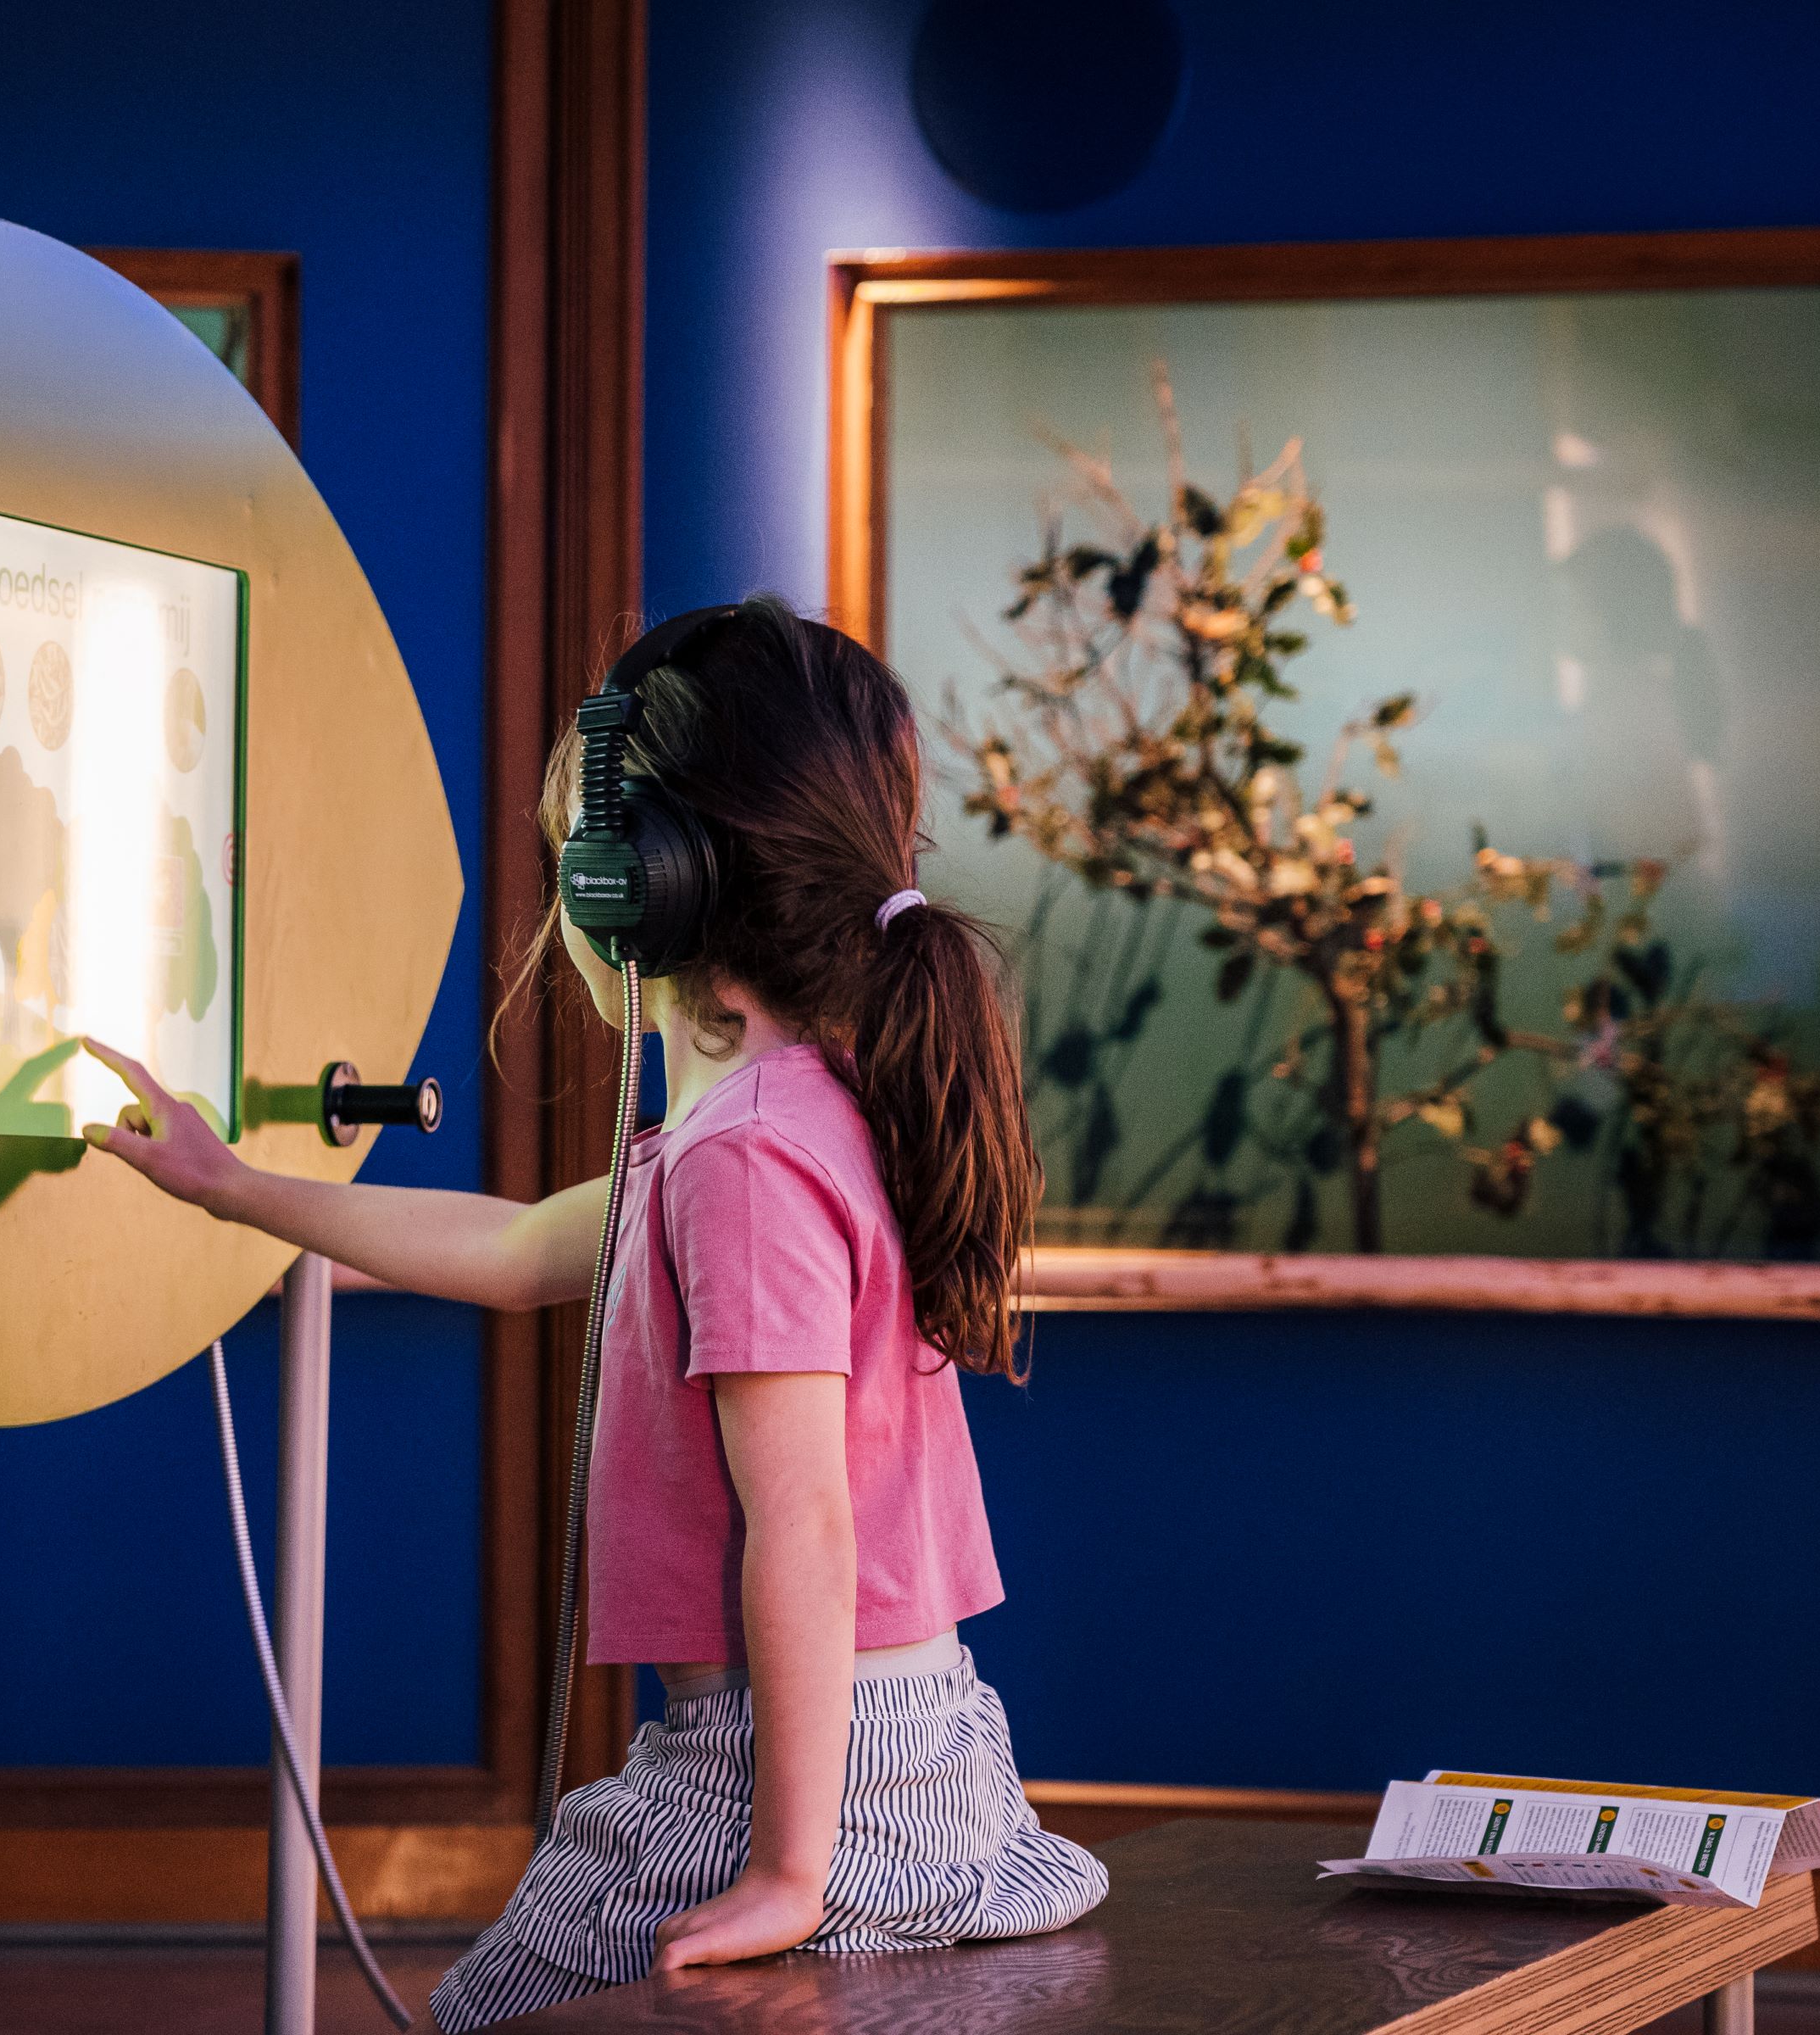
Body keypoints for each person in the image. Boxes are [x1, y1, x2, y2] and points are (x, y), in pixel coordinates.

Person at [83, 597, 1105, 2028]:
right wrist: (238, 1190)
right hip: (900, 1749)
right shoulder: (792, 1119)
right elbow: (511, 1249)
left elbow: (806, 1520)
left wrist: (788, 1870)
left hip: (786, 1776)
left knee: (483, 2014)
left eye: (575, 855)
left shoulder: (747, 1158)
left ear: (647, 889)